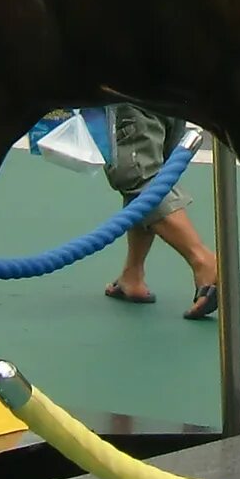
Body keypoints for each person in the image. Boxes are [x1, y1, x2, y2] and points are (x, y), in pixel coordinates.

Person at [100, 104, 221, 320]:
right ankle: (132, 273)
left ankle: (204, 262)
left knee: (139, 177)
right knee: (149, 175)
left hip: (132, 88)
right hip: (171, 91)